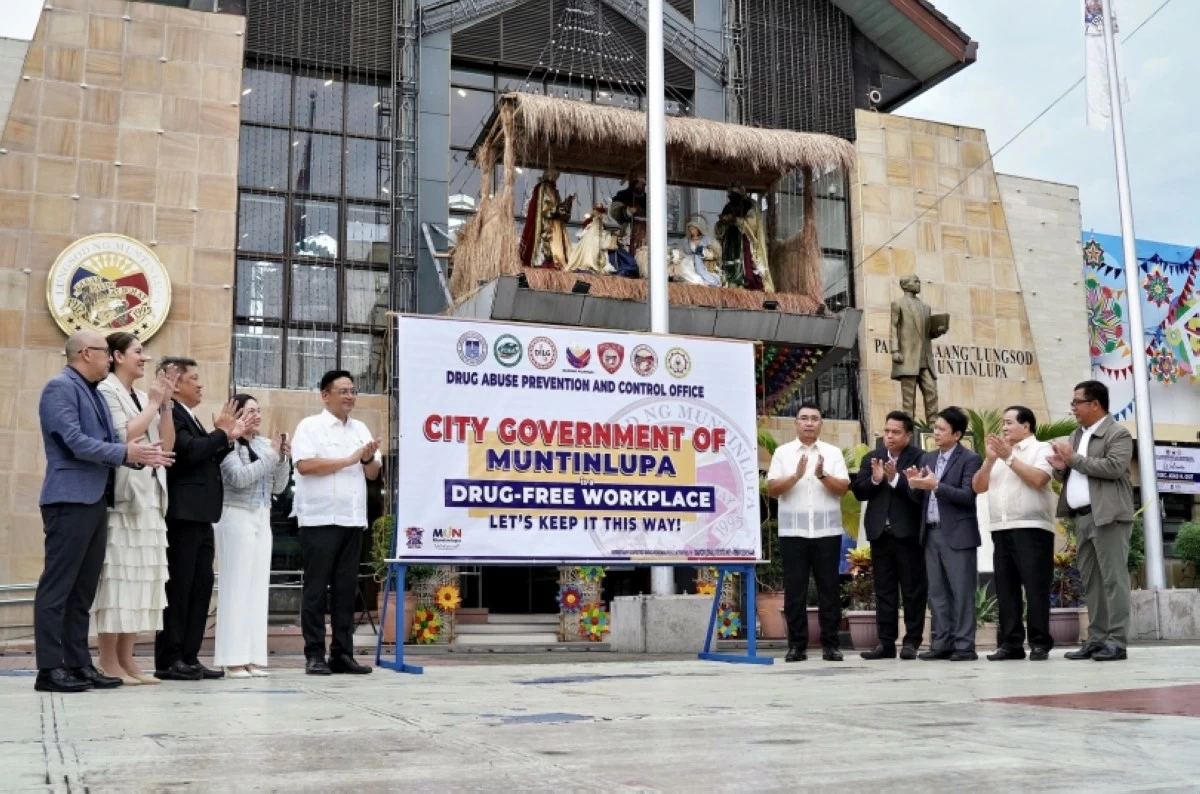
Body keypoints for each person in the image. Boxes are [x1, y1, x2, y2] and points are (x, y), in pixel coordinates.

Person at [34, 331, 173, 693]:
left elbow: (113, 441)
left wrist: (140, 455)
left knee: (82, 592)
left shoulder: (92, 391)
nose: (109, 359)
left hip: (95, 498)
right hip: (69, 498)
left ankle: (79, 663)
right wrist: (126, 453)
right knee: (58, 588)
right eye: (103, 353)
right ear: (85, 353)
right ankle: (50, 668)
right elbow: (72, 440)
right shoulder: (60, 387)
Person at [94, 333, 179, 685]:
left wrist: (166, 405)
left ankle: (128, 658)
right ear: (116, 356)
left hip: (151, 494)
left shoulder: (146, 396)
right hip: (122, 495)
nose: (144, 359)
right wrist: (151, 406)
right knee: (116, 577)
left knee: (141, 577)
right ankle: (107, 659)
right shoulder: (106, 392)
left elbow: (168, 445)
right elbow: (122, 436)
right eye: (138, 352)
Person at [155, 357, 245, 682]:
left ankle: (190, 656)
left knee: (200, 585)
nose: (200, 384)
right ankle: (170, 658)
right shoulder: (171, 413)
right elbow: (187, 452)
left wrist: (227, 438)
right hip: (182, 513)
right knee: (179, 587)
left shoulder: (190, 416)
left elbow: (204, 454)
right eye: (194, 378)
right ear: (175, 383)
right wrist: (221, 432)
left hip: (203, 514)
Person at [291, 371, 381, 676]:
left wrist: (367, 459)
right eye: (342, 391)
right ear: (325, 395)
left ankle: (342, 653)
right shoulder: (310, 427)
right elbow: (304, 465)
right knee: (316, 590)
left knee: (345, 590)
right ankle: (314, 654)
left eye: (353, 391)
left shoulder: (361, 428)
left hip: (352, 520)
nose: (349, 397)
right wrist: (349, 460)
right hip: (319, 519)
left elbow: (372, 473)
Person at [1050, 380, 1135, 662]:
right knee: (1091, 582)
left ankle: (1117, 641)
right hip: (1082, 518)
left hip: (1108, 517)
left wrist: (1073, 459)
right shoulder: (1077, 435)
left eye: (1077, 402)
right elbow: (1076, 472)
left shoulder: (1117, 433)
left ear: (1095, 404)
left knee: (1114, 580)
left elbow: (1114, 467)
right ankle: (1097, 639)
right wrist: (1062, 468)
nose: (1073, 408)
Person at [213, 394, 292, 678]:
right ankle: (232, 659)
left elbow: (279, 487)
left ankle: (252, 657)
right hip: (234, 513)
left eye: (259, 411)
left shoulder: (262, 444)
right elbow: (239, 478)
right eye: (250, 411)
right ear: (235, 414)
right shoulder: (227, 444)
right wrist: (272, 455)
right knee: (236, 586)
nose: (257, 415)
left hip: (262, 514)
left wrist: (283, 458)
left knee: (257, 588)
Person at [766, 402, 850, 662]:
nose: (809, 423)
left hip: (827, 530)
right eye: (804, 418)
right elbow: (771, 489)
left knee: (829, 590)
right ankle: (797, 645)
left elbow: (843, 488)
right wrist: (796, 476)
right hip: (794, 532)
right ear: (796, 423)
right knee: (795, 590)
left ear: (821, 424)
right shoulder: (783, 452)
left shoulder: (832, 452)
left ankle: (831, 645)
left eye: (815, 418)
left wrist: (822, 475)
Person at [972, 406, 1057, 661]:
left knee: (1035, 587)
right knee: (1006, 589)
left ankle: (1040, 644)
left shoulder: (1041, 448)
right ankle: (1011, 644)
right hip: (1001, 528)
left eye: (1009, 423)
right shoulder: (997, 455)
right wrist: (989, 460)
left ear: (1026, 426)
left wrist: (1009, 457)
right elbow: (978, 487)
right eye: (1003, 423)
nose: (1004, 428)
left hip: (1032, 527)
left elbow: (1039, 479)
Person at [905, 406, 982, 661]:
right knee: (936, 592)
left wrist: (936, 485)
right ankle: (941, 642)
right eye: (934, 428)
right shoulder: (927, 458)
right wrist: (914, 484)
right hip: (930, 532)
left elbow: (967, 496)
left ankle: (964, 645)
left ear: (957, 434)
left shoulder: (970, 459)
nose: (935, 432)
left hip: (958, 534)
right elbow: (919, 498)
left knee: (961, 591)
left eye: (941, 429)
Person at [851, 410, 926, 660]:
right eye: (886, 431)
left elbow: (920, 496)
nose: (889, 436)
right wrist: (875, 480)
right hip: (879, 535)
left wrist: (895, 480)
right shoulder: (873, 458)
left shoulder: (920, 458)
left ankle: (912, 642)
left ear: (907, 435)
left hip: (908, 535)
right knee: (884, 591)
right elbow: (859, 492)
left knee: (912, 590)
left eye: (895, 432)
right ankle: (885, 643)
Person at [889, 275, 948, 424]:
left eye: (919, 281)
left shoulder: (926, 307)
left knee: (931, 392)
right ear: (905, 285)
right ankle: (908, 427)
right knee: (909, 397)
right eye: (915, 281)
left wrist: (938, 331)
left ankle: (933, 425)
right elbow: (893, 327)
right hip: (908, 357)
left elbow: (927, 334)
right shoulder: (898, 304)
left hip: (925, 358)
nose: (918, 284)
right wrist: (895, 350)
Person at [715, 185, 774, 291]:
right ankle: (729, 281)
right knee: (729, 258)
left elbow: (752, 223)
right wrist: (723, 221)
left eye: (735, 194)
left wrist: (737, 220)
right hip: (729, 238)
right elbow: (720, 225)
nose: (732, 197)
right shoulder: (727, 207)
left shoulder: (748, 205)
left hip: (742, 237)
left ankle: (742, 281)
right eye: (731, 194)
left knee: (743, 259)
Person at [518, 168, 575, 269]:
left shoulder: (554, 191)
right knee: (550, 243)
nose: (555, 179)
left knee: (559, 246)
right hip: (548, 222)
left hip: (556, 224)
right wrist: (556, 209)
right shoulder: (542, 188)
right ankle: (549, 261)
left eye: (556, 177)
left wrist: (567, 203)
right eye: (553, 176)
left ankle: (558, 263)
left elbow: (558, 206)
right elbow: (543, 206)